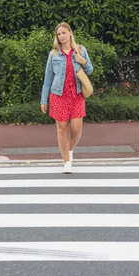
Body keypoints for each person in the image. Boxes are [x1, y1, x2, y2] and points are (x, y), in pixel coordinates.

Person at [40, 22, 93, 173]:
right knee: (61, 129)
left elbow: (90, 70)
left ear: (70, 33)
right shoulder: (54, 54)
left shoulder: (81, 50)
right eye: (59, 34)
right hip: (58, 95)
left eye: (64, 33)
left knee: (77, 130)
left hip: (76, 95)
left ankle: (68, 150)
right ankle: (66, 161)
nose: (61, 36)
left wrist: (84, 62)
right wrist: (44, 100)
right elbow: (48, 79)